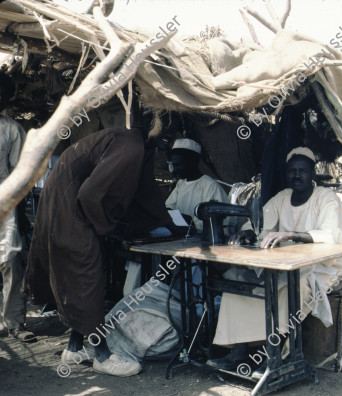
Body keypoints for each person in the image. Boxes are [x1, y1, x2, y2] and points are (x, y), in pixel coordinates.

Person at [24, 97, 178, 377]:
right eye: (168, 130)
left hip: (64, 202)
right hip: (70, 206)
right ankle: (102, 355)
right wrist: (108, 226)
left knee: (77, 276)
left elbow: (145, 193)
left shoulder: (137, 147)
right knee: (87, 275)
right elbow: (91, 194)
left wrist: (168, 225)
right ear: (154, 124)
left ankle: (74, 346)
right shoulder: (131, 145)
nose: (171, 138)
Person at [207, 147, 342, 370]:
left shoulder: (326, 198)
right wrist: (248, 232)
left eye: (302, 171)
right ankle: (238, 351)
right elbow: (261, 223)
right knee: (237, 281)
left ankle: (273, 355)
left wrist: (291, 234)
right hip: (285, 262)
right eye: (292, 170)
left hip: (323, 265)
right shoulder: (282, 198)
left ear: (313, 174)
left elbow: (332, 235)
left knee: (290, 288)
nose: (296, 175)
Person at [0, 72, 36, 343]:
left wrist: (21, 216)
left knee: (12, 261)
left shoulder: (11, 129)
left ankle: (14, 322)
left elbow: (20, 176)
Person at [165, 138, 228, 232]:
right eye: (174, 165)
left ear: (193, 161)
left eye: (179, 165)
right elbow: (169, 207)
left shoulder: (210, 186)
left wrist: (191, 221)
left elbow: (217, 221)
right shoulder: (180, 184)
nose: (175, 169)